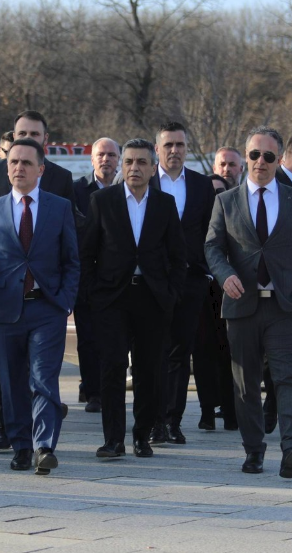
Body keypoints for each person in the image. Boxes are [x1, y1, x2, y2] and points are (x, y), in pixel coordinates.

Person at [0, 138, 79, 475]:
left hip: (47, 307)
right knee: (11, 381)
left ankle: (44, 446)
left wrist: (65, 300)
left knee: (44, 378)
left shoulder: (59, 207)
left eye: (27, 163)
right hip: (4, 310)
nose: (19, 168)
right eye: (13, 162)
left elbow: (71, 260)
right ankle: (21, 446)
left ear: (40, 169)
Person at [80, 138, 186, 459]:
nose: (134, 168)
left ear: (153, 168)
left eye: (141, 162)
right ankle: (113, 440)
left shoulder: (164, 204)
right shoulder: (102, 201)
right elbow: (87, 253)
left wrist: (170, 294)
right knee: (112, 368)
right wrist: (94, 293)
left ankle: (142, 436)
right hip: (112, 298)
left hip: (152, 299)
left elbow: (178, 256)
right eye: (128, 162)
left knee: (148, 370)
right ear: (121, 166)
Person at [205, 126, 292, 477]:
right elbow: (212, 247)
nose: (260, 162)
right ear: (246, 158)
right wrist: (225, 275)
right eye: (254, 154)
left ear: (279, 159)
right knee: (245, 385)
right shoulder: (226, 201)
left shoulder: (290, 199)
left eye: (268, 156)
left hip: (283, 307)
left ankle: (290, 452)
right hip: (242, 305)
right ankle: (254, 450)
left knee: (287, 379)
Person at [148, 122, 215, 446]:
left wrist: (205, 272)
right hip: (152, 282)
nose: (174, 150)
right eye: (168, 145)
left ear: (187, 149)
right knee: (152, 352)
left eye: (180, 145)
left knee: (180, 352)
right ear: (157, 149)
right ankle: (153, 421)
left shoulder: (202, 185)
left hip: (190, 281)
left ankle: (172, 421)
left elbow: (210, 232)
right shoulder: (144, 181)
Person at [72, 137, 121, 414]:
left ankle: (111, 389)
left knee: (114, 338)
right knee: (88, 338)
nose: (106, 159)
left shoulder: (127, 189)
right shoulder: (77, 190)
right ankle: (93, 392)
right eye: (101, 154)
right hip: (86, 275)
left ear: (119, 159)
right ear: (92, 159)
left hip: (118, 276)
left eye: (111, 155)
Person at [192, 174, 237, 433]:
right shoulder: (197, 220)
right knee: (202, 352)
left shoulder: (233, 215)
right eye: (210, 193)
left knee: (228, 353)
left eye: (219, 192)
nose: (215, 198)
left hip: (229, 291)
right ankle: (207, 411)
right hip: (202, 292)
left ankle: (231, 413)